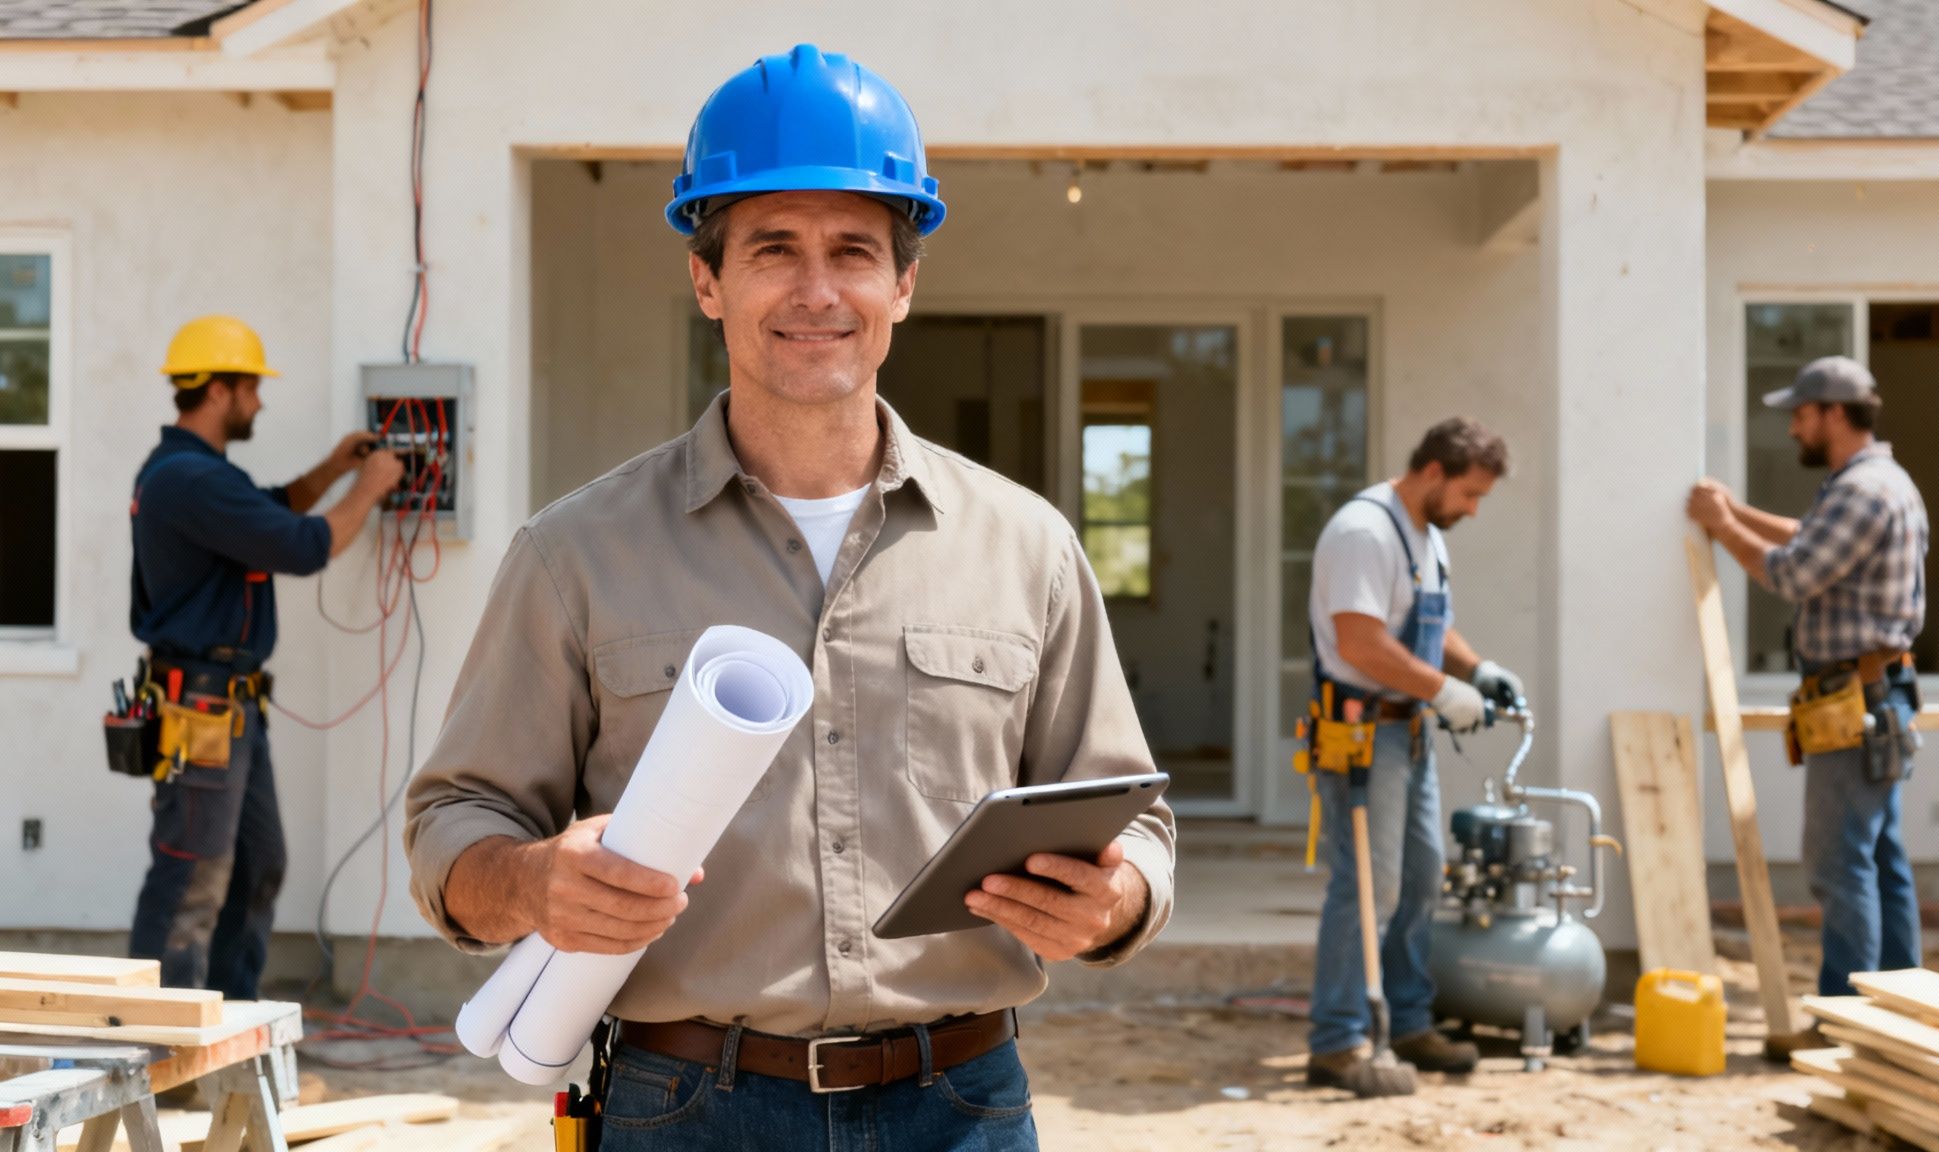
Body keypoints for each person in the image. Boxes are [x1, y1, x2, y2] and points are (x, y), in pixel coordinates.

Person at [404, 45, 1173, 1150]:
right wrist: (530, 884)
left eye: (853, 251)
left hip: (959, 1105)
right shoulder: (575, 554)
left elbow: (1132, 817)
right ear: (707, 279)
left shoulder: (1027, 547)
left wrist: (1119, 902)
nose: (817, 290)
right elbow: (451, 827)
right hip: (685, 1109)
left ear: (903, 285)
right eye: (773, 248)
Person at [129, 314, 402, 995]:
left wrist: (336, 468)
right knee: (192, 875)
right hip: (201, 709)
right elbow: (302, 545)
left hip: (230, 709)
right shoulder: (189, 480)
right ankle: (160, 1043)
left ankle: (228, 1023)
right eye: (251, 387)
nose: (259, 400)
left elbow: (274, 510)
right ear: (219, 390)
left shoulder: (200, 476)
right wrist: (368, 488)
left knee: (257, 863)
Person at [1687, 355, 1926, 1054]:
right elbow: (1806, 536)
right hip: (1873, 692)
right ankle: (1898, 1011)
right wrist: (1734, 512)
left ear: (1834, 414)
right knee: (1879, 857)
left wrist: (1720, 526)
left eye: (1800, 412)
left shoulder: (1861, 491)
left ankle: (1842, 1020)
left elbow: (1791, 574)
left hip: (1859, 697)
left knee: (1838, 863)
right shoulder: (1873, 483)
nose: (1792, 424)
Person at [1301, 417, 1521, 1090]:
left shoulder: (1424, 534)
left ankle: (1408, 1020)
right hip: (1363, 734)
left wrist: (1477, 669)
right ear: (1434, 473)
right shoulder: (1364, 532)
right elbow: (1363, 642)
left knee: (1423, 878)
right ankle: (1338, 1040)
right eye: (1470, 494)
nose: (1474, 509)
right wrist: (1444, 690)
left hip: (1411, 730)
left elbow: (1432, 623)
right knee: (1370, 885)